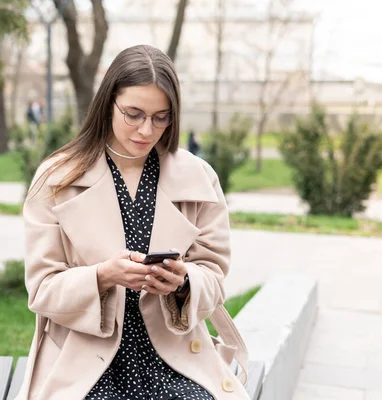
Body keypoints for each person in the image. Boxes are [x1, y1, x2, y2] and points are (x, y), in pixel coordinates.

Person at [15, 45, 249, 400]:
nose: (146, 130)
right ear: (108, 102)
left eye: (161, 117)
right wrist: (103, 276)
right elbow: (43, 289)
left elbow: (214, 276)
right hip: (85, 357)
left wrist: (184, 283)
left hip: (174, 354)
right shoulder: (57, 177)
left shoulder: (199, 178)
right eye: (134, 114)